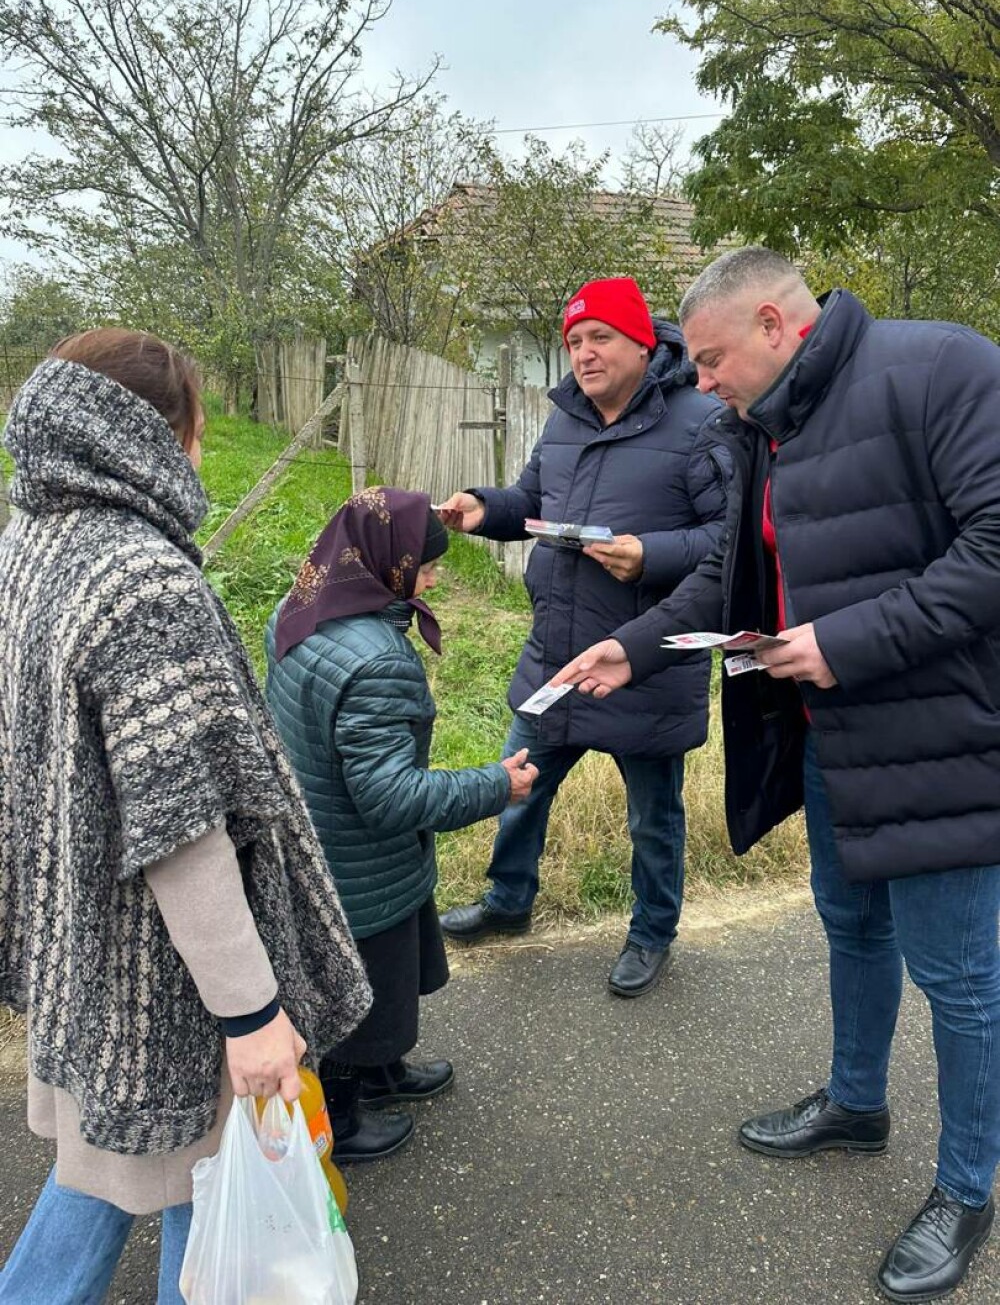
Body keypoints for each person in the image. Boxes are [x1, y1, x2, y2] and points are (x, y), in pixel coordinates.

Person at [556, 247, 1000, 1301]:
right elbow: (727, 572)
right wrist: (638, 643)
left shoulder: (944, 368)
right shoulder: (763, 424)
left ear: (773, 325)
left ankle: (966, 1186)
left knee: (960, 981)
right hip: (829, 740)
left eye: (708, 360)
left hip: (947, 741)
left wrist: (846, 639)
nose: (696, 381)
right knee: (849, 927)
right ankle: (856, 1101)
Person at [0, 330, 372, 1304]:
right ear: (166, 434)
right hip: (164, 976)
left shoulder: (27, 542)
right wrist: (250, 1014)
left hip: (80, 946)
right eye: (199, 428)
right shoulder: (142, 581)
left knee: (111, 1169)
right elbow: (183, 833)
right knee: (209, 1205)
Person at [436, 277, 728, 997]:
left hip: (645, 655)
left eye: (600, 338)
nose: (585, 354)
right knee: (520, 785)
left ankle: (653, 930)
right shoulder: (566, 418)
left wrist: (649, 554)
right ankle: (509, 900)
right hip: (557, 649)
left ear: (640, 341)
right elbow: (534, 500)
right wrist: (484, 506)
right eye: (574, 342)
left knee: (652, 815)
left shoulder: (700, 421)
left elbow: (731, 541)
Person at [265, 487, 537, 1161]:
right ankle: (344, 1116)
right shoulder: (377, 658)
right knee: (363, 993)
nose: (437, 577)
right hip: (361, 858)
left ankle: (382, 1071)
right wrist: (496, 785)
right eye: (429, 565)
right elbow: (388, 797)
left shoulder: (301, 605)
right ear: (390, 562)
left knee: (382, 974)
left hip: (314, 832)